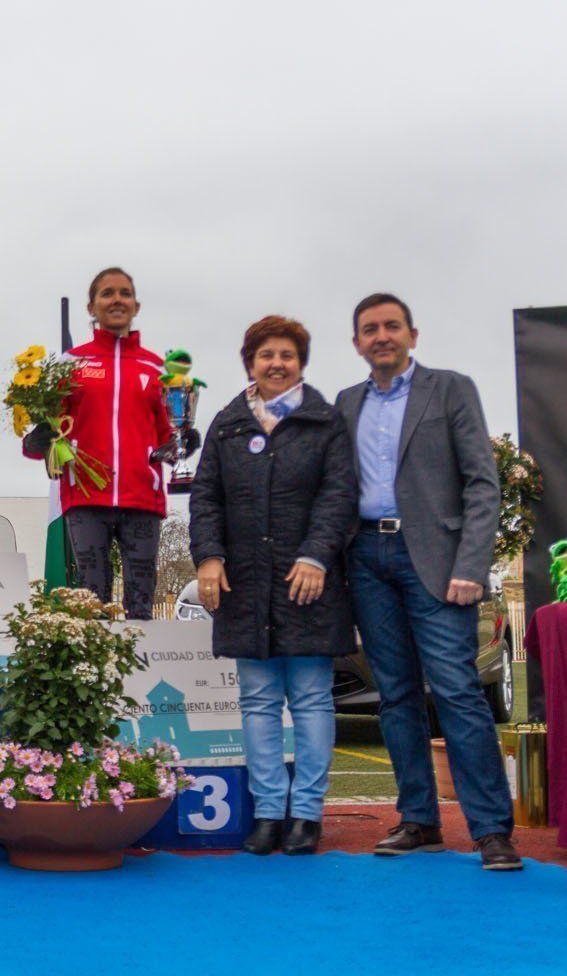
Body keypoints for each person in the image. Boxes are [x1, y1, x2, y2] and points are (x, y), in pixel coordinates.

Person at [335, 293, 519, 870]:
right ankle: (419, 819)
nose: (381, 336)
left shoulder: (451, 388)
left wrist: (471, 565)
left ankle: (491, 830)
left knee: (458, 692)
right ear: (357, 343)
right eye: (370, 329)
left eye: (392, 326)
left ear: (413, 334)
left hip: (437, 563)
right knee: (395, 696)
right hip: (366, 557)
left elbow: (482, 485)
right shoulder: (345, 403)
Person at [189, 316, 357, 855]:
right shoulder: (227, 423)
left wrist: (315, 555)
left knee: (310, 700)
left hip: (309, 582)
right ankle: (267, 813)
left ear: (301, 363)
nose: (277, 363)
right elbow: (205, 497)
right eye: (266, 355)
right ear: (250, 363)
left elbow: (339, 496)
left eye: (287, 355)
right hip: (243, 583)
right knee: (258, 701)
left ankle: (306, 814)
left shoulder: (325, 422)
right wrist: (209, 557)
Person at [23, 267, 174, 618]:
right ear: (92, 307)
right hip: (86, 496)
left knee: (141, 603)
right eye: (107, 293)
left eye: (124, 293)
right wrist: (38, 440)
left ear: (136, 305)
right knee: (93, 600)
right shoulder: (71, 363)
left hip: (142, 499)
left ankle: (140, 672)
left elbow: (168, 435)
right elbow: (49, 427)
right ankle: (100, 673)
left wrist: (182, 441)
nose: (116, 300)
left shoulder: (156, 368)